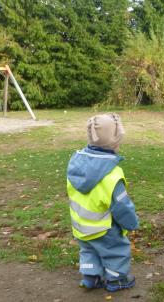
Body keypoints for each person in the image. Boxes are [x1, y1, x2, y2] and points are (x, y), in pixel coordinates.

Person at [66, 113, 139, 292]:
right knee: (116, 250)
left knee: (88, 249)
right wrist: (131, 223)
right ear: (113, 143)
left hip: (81, 224)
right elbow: (121, 206)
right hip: (103, 227)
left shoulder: (75, 166)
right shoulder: (112, 174)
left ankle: (90, 277)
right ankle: (116, 280)